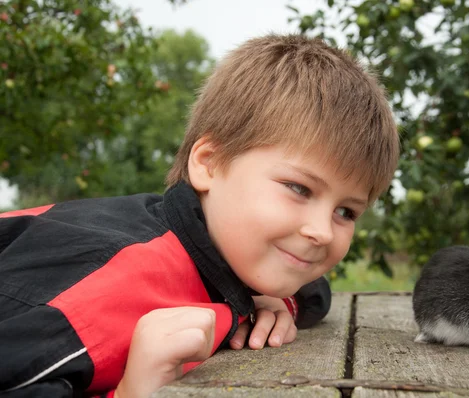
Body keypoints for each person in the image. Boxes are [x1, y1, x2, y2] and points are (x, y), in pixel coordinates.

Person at [0, 33, 399, 397]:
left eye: (346, 211)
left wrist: (272, 300)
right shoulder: (112, 286)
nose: (322, 233)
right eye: (299, 188)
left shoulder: (227, 258)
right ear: (208, 164)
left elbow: (317, 292)